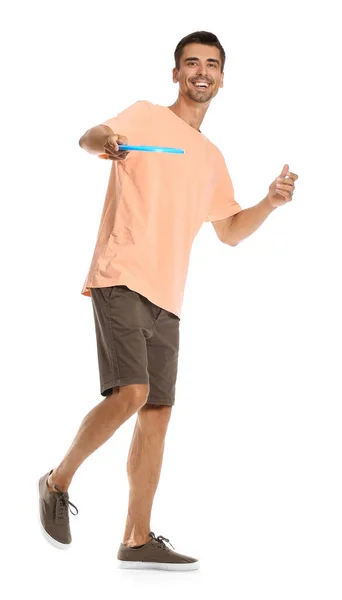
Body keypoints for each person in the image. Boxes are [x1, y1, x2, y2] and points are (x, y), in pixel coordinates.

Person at [38, 31, 298, 570]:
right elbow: (93, 136)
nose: (202, 72)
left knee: (156, 414)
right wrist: (101, 142)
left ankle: (136, 538)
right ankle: (56, 480)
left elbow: (228, 230)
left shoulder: (211, 157)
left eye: (212, 64)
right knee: (132, 392)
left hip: (169, 296)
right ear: (175, 72)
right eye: (191, 63)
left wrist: (269, 203)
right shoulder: (144, 115)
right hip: (121, 274)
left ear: (222, 77)